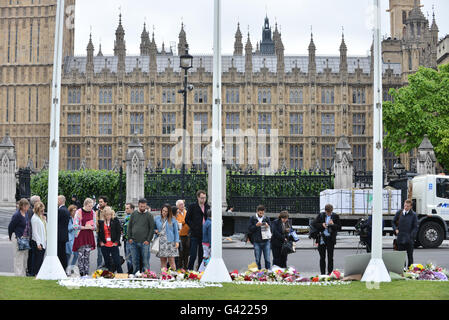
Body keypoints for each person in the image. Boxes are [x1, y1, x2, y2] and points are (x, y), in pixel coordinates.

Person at [312, 204, 342, 275]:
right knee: (322, 257)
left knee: (330, 257)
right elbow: (314, 224)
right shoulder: (321, 215)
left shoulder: (335, 216)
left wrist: (333, 224)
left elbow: (339, 227)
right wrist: (322, 225)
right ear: (325, 211)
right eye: (328, 212)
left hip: (330, 239)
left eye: (330, 212)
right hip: (322, 238)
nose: (329, 213)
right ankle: (322, 273)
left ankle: (330, 273)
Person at [128, 198, 155, 273]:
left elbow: (151, 228)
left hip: (144, 242)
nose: (142, 208)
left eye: (144, 206)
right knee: (134, 260)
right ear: (138, 205)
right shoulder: (134, 214)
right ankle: (136, 274)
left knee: (145, 261)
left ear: (146, 206)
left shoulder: (149, 215)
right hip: (133, 242)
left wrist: (148, 240)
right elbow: (129, 226)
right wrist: (129, 238)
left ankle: (146, 275)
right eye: (141, 206)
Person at [186, 190, 210, 271]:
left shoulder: (207, 207)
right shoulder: (192, 206)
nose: (203, 200)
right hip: (194, 234)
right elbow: (187, 219)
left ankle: (200, 271)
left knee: (202, 255)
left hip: (204, 234)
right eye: (202, 198)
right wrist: (193, 227)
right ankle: (189, 270)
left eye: (205, 198)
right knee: (193, 254)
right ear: (198, 198)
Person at [72, 198, 97, 277]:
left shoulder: (93, 212)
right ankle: (81, 271)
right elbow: (75, 225)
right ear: (85, 205)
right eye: (89, 206)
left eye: (92, 206)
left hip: (89, 235)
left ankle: (86, 271)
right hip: (81, 235)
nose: (91, 208)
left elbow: (95, 225)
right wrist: (85, 227)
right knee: (81, 255)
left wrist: (92, 227)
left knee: (87, 255)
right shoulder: (79, 212)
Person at [392, 199, 418, 268]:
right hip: (400, 238)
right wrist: (395, 229)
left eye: (407, 206)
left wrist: (411, 236)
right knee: (401, 256)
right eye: (405, 206)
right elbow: (393, 222)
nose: (406, 207)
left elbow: (415, 227)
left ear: (411, 207)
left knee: (410, 256)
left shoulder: (413, 215)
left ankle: (410, 270)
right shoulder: (399, 213)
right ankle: (403, 269)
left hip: (409, 239)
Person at [8, 199, 31, 276]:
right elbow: (10, 226)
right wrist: (10, 236)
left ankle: (23, 274)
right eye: (27, 205)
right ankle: (18, 275)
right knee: (18, 257)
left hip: (25, 238)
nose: (28, 207)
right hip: (18, 237)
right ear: (23, 206)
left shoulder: (26, 213)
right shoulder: (17, 215)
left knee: (25, 256)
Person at [154, 204, 180, 271]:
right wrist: (155, 231)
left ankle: (174, 275)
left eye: (166, 211)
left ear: (169, 212)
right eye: (163, 211)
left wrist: (177, 241)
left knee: (171, 260)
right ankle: (164, 275)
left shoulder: (173, 219)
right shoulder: (157, 218)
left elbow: (176, 232)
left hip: (170, 242)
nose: (164, 212)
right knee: (163, 260)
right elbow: (153, 228)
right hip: (161, 242)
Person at [98, 207, 123, 273]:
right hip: (105, 245)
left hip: (113, 244)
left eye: (109, 214)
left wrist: (116, 242)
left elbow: (119, 232)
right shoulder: (101, 222)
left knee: (117, 262)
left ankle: (121, 276)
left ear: (111, 214)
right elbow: (99, 233)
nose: (108, 216)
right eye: (106, 215)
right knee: (107, 262)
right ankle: (109, 275)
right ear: (104, 215)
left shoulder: (115, 220)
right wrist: (101, 242)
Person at [248, 205, 271, 270]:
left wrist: (268, 226)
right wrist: (256, 225)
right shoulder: (252, 218)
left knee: (267, 259)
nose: (261, 214)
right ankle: (258, 273)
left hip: (266, 241)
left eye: (263, 213)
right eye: (260, 213)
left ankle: (268, 272)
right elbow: (249, 229)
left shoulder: (266, 218)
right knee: (257, 259)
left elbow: (271, 229)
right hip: (257, 241)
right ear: (257, 212)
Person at [31, 201, 47, 276]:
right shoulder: (34, 218)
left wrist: (45, 220)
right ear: (37, 210)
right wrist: (38, 243)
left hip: (43, 240)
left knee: (40, 258)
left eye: (43, 210)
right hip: (38, 242)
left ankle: (38, 272)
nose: (43, 212)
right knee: (37, 259)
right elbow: (35, 232)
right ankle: (35, 273)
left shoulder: (40, 217)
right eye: (41, 210)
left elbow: (45, 227)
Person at [175, 199, 190, 270]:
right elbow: (179, 223)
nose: (182, 205)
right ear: (177, 206)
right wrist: (185, 221)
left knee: (186, 252)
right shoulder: (176, 214)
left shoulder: (186, 212)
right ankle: (179, 267)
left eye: (183, 204)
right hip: (180, 235)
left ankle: (186, 267)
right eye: (180, 204)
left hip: (187, 234)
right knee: (180, 252)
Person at [57, 195, 70, 271]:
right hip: (64, 234)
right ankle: (64, 267)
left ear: (61, 201)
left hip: (59, 235)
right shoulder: (66, 210)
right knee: (62, 253)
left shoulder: (61, 210)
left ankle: (61, 268)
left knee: (60, 253)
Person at [95, 195, 109, 269]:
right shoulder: (97, 212)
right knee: (99, 253)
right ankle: (99, 269)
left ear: (105, 203)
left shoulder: (110, 211)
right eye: (99, 202)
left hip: (108, 235)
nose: (100, 203)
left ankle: (107, 268)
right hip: (99, 234)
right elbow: (96, 223)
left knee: (107, 252)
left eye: (101, 202)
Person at [66, 205, 79, 273]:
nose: (75, 212)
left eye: (76, 210)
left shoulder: (77, 219)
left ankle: (71, 267)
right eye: (73, 211)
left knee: (76, 255)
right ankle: (67, 269)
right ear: (70, 211)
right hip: (70, 239)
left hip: (76, 239)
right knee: (68, 255)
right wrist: (74, 226)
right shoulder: (69, 219)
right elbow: (68, 229)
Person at [122, 203, 134, 274]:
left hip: (131, 239)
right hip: (126, 239)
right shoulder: (126, 217)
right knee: (127, 257)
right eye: (125, 208)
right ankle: (130, 271)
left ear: (132, 209)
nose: (126, 210)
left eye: (127, 208)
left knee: (130, 257)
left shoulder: (133, 217)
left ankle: (131, 271)